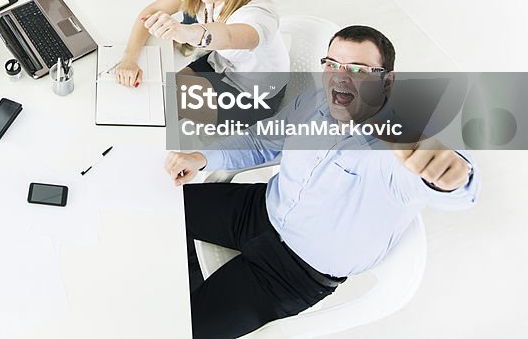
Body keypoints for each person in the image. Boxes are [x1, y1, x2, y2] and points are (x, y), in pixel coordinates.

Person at [166, 25, 481, 339]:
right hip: (259, 209)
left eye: (358, 70)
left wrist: (452, 175)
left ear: (387, 81)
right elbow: (263, 142)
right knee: (158, 207)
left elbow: (450, 184)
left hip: (294, 272)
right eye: (332, 65)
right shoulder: (314, 103)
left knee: (181, 328)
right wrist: (202, 158)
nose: (340, 78)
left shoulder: (396, 147)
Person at [116, 0, 288, 115]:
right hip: (221, 64)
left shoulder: (259, 12)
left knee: (166, 111)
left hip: (257, 94)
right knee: (156, 95)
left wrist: (185, 32)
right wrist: (128, 59)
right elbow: (150, 12)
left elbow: (229, 36)